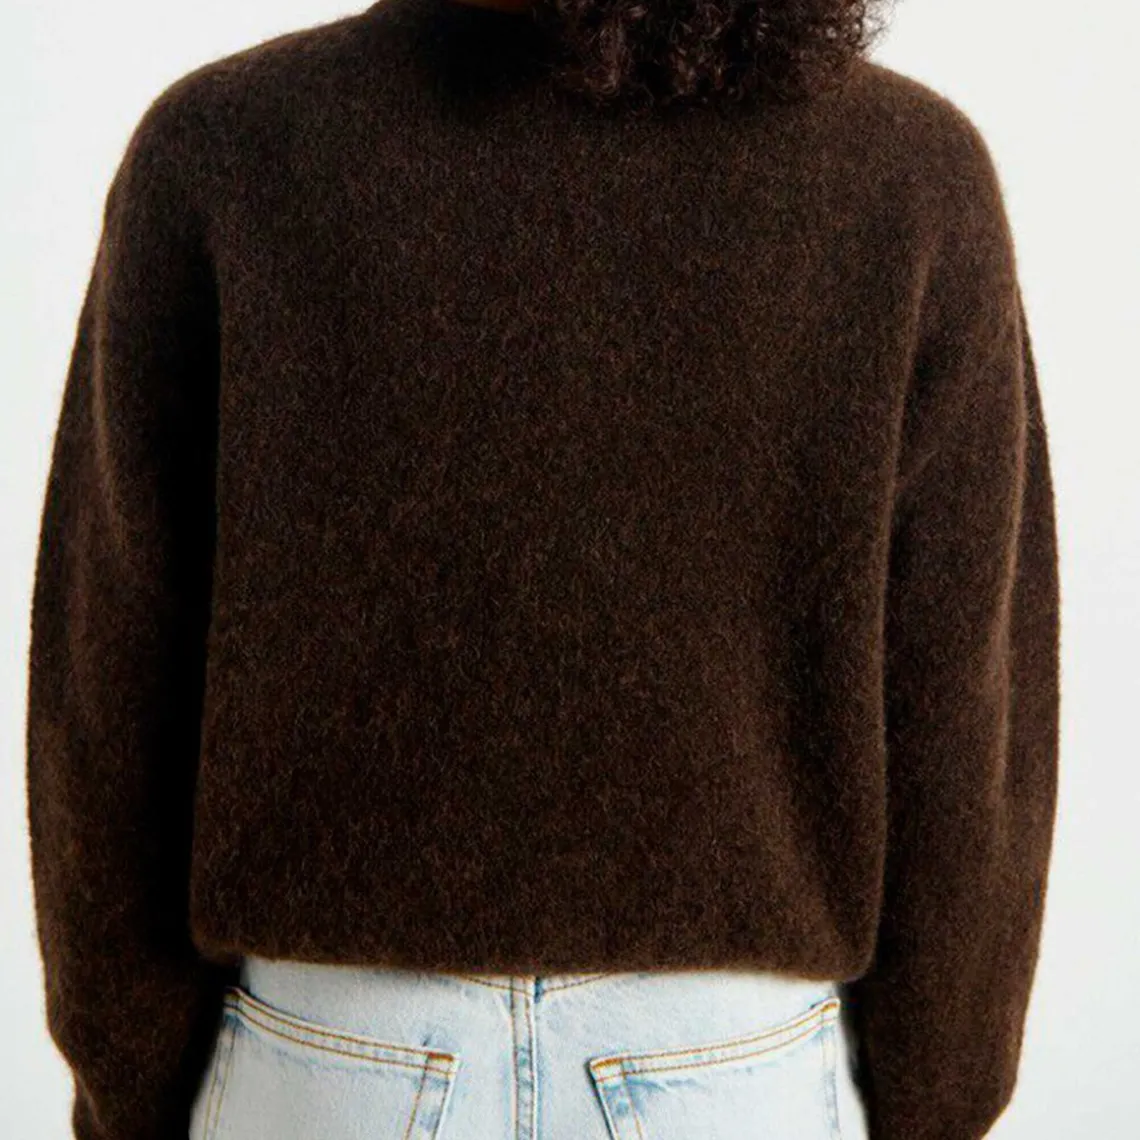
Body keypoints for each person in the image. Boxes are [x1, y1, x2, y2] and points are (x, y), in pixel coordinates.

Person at [24, 0, 1060, 1138]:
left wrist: (131, 1086)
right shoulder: (911, 173)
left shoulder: (227, 144)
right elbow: (967, 719)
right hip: (729, 1073)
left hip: (330, 1066)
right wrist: (937, 1099)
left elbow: (110, 688)